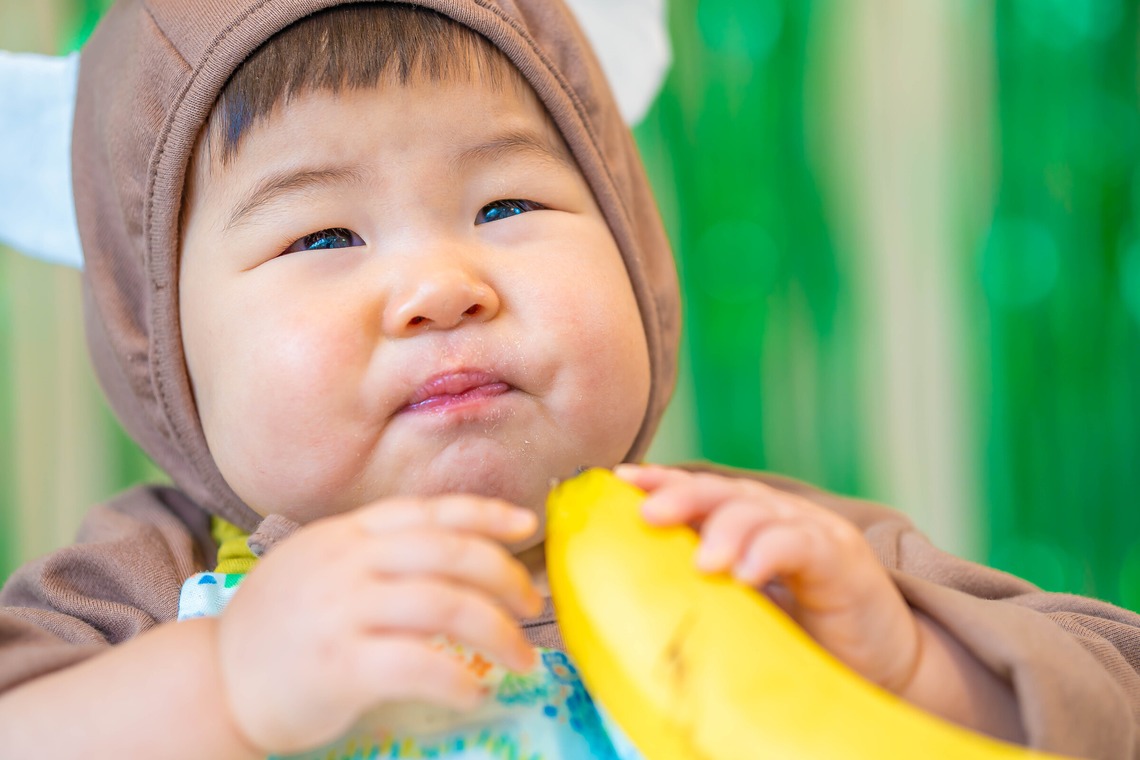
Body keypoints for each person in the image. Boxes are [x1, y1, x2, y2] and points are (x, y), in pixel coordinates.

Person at [0, 1, 1137, 757]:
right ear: (162, 339)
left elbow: (1113, 689)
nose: (442, 287)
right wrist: (223, 685)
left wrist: (913, 663)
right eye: (323, 236)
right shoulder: (145, 586)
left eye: (506, 205)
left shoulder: (753, 551)